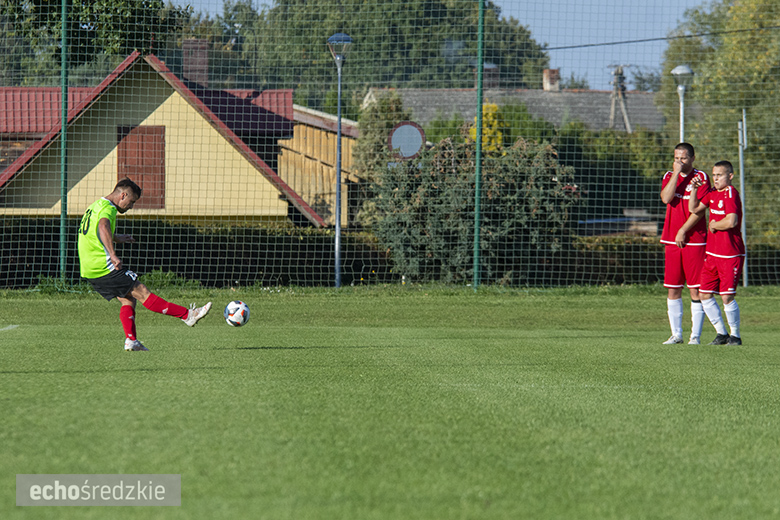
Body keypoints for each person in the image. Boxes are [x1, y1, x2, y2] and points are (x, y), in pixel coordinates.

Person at [77, 178, 211, 351]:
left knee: (128, 300)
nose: (131, 206)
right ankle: (188, 315)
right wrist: (112, 254)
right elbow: (103, 227)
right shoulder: (109, 208)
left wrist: (118, 238)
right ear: (123, 195)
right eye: (131, 202)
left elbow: (95, 231)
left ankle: (131, 340)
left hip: (89, 269)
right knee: (142, 292)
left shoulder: (96, 205)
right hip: (103, 266)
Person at [687, 160, 745, 345]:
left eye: (720, 175)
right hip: (712, 254)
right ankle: (722, 334)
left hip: (730, 254)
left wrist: (713, 224)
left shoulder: (730, 193)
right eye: (714, 174)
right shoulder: (712, 193)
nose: (716, 178)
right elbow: (693, 208)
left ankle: (735, 336)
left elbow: (731, 221)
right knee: (704, 293)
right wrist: (694, 189)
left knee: (727, 296)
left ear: (730, 176)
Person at [661, 143, 711, 345]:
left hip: (694, 239)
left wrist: (683, 230)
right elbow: (666, 198)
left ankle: (695, 336)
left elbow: (699, 210)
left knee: (695, 289)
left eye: (683, 158)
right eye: (676, 158)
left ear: (692, 158)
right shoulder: (668, 175)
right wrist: (675, 174)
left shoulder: (701, 178)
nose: (679, 162)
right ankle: (676, 334)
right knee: (673, 289)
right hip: (671, 239)